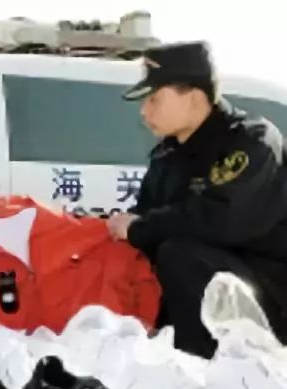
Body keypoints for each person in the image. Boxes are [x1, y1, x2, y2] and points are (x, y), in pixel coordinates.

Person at [108, 41, 287, 358]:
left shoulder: (250, 142)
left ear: (194, 98)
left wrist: (138, 228)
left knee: (178, 254)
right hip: (209, 291)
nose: (144, 111)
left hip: (268, 295)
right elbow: (148, 216)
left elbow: (222, 218)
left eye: (154, 99)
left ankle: (203, 367)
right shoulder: (168, 156)